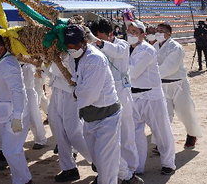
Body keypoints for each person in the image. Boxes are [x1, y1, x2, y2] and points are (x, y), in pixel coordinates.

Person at [65, 24, 122, 184]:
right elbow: (77, 80)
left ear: (84, 42)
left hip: (106, 117)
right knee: (98, 159)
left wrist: (76, 92)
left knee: (106, 164)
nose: (72, 48)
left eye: (75, 44)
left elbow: (88, 94)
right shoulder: (73, 57)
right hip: (89, 117)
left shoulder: (95, 59)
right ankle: (127, 176)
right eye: (69, 45)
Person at [90, 20, 142, 184]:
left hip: (121, 94)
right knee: (106, 137)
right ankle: (108, 170)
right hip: (103, 97)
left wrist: (98, 42)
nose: (97, 41)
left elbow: (116, 52)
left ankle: (131, 169)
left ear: (111, 34)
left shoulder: (123, 45)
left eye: (100, 38)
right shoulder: (93, 48)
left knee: (126, 133)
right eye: (95, 38)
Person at [127, 20, 176, 176]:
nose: (131, 35)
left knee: (161, 131)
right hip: (133, 96)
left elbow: (132, 72)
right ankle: (137, 166)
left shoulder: (147, 50)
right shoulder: (126, 49)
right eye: (129, 31)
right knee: (135, 134)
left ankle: (168, 163)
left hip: (151, 96)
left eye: (135, 32)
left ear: (143, 34)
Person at [0, 33, 33, 184]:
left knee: (11, 150)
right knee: (9, 150)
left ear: (1, 49)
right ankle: (20, 180)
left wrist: (17, 115)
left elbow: (18, 90)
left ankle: (25, 180)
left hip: (15, 114)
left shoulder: (9, 64)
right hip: (4, 113)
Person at [153, 23, 203, 148]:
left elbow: (169, 67)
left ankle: (192, 134)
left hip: (178, 84)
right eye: (157, 30)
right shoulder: (154, 46)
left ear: (169, 33)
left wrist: (151, 75)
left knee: (186, 111)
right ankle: (162, 143)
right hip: (162, 86)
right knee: (163, 115)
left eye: (162, 30)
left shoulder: (176, 47)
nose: (158, 32)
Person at [47, 47, 92, 182]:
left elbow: (66, 72)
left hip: (70, 93)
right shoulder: (54, 52)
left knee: (74, 132)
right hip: (57, 91)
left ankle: (97, 160)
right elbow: (49, 73)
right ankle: (69, 168)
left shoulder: (74, 53)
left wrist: (50, 61)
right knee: (59, 133)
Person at [21, 63, 48, 150]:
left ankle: (40, 139)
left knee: (33, 110)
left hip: (33, 76)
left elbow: (39, 62)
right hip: (19, 78)